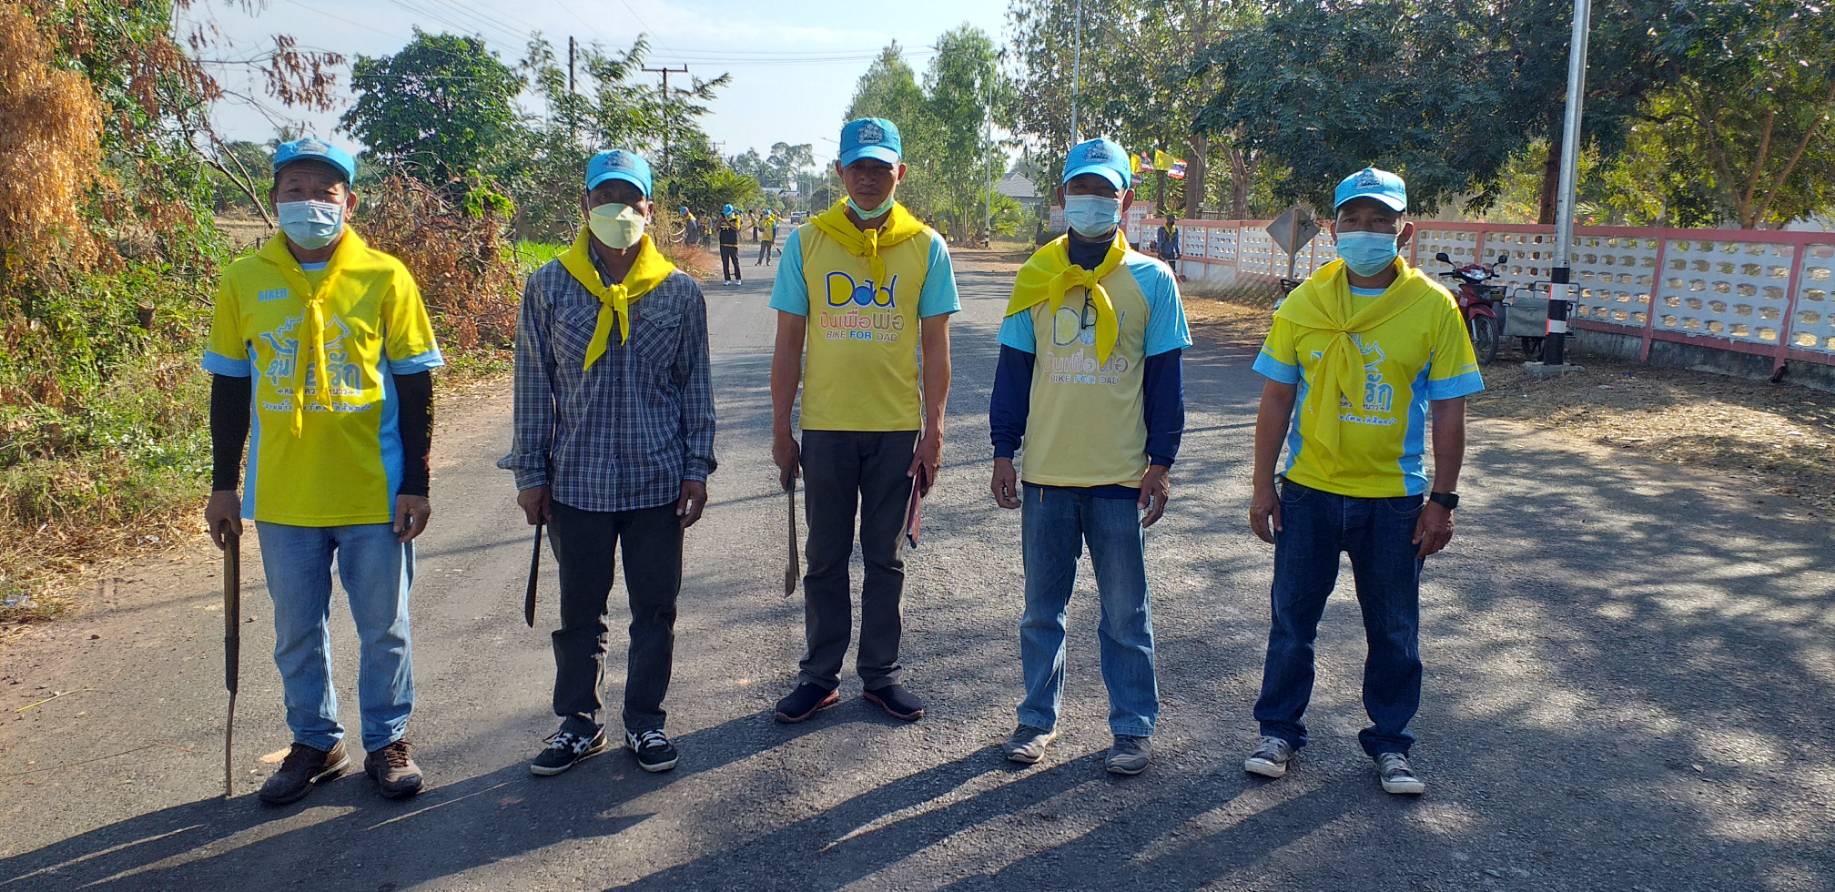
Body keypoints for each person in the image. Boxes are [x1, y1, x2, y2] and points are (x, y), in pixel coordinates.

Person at [202, 137, 443, 805]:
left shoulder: (385, 276)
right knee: (296, 632)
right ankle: (315, 741)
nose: (309, 202)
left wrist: (417, 483)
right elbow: (229, 388)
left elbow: (416, 386)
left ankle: (387, 742)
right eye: (295, 190)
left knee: (384, 629)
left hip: (374, 491)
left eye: (324, 192)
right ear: (274, 199)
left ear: (349, 203)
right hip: (285, 495)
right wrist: (223, 486)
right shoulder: (242, 279)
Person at [1243, 166, 1484, 796]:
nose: (1365, 230)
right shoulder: (1304, 303)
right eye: (1353, 219)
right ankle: (1278, 732)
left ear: (1405, 232)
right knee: (1292, 622)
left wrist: (1442, 500)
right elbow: (1276, 399)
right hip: (1310, 492)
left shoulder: (1433, 307)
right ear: (1333, 229)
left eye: (1380, 220)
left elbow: (1450, 410)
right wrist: (1263, 486)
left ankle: (1392, 743)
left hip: (1394, 501)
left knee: (1394, 629)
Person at [498, 149, 716, 776]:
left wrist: (696, 468)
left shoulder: (679, 292)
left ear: (650, 208)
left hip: (657, 481)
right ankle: (578, 722)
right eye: (605, 198)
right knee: (579, 613)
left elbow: (695, 387)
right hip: (577, 482)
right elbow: (533, 385)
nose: (618, 209)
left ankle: (645, 722)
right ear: (585, 204)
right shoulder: (548, 286)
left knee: (655, 611)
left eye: (630, 199)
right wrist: (530, 474)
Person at [988, 138, 1190, 776]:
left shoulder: (1153, 281)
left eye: (1106, 191)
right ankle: (1035, 720)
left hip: (1119, 478)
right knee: (1040, 613)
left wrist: (1161, 463)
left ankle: (1132, 727)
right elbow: (1013, 372)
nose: (1093, 201)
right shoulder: (1035, 275)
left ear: (1126, 200)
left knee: (1126, 614)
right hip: (1047, 475)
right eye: (1082, 188)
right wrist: (1002, 451)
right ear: (1062, 195)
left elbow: (1165, 382)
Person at [768, 117, 959, 724]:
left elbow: (936, 348)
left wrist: (934, 431)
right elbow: (788, 342)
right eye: (858, 167)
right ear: (840, 172)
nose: (869, 178)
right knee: (825, 556)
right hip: (826, 428)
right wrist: (781, 428)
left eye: (881, 168)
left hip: (895, 430)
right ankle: (819, 676)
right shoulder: (807, 242)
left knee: (885, 558)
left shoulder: (926, 245)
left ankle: (880, 674)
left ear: (900, 172)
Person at [718, 203, 742, 286]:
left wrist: (726, 221)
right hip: (723, 244)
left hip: (732, 244)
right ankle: (727, 279)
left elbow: (737, 228)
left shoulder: (736, 217)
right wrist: (720, 220)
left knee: (735, 262)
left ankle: (738, 278)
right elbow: (716, 228)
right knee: (725, 263)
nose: (726, 214)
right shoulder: (722, 218)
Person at [1154, 214, 1182, 280]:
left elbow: (1176, 243)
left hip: (1171, 253)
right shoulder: (1161, 229)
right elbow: (1160, 241)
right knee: (1160, 271)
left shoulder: (1175, 230)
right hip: (1163, 252)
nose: (1173, 222)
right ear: (1168, 221)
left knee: (1173, 271)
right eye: (1172, 221)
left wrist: (1178, 253)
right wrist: (1159, 252)